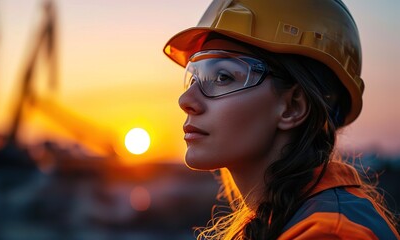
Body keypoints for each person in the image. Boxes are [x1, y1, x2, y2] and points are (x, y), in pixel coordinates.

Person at [163, 0, 399, 239]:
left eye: (222, 76)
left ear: (293, 107)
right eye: (194, 78)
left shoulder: (328, 233)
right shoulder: (292, 218)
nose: (186, 99)